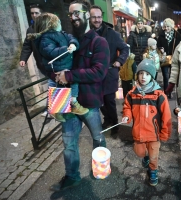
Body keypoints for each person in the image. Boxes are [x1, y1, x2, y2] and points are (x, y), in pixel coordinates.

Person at [49, 0, 110, 191]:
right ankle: (72, 176)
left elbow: (99, 72)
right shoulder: (66, 41)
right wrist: (56, 74)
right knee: (68, 142)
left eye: (77, 13)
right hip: (66, 101)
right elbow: (56, 65)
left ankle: (100, 165)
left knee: (97, 137)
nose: (73, 17)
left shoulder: (99, 41)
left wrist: (69, 75)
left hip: (89, 102)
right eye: (70, 14)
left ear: (87, 14)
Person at [28, 13, 89, 122]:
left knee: (62, 86)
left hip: (65, 64)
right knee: (62, 84)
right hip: (58, 66)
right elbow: (50, 52)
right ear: (52, 24)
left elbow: (71, 37)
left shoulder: (61, 33)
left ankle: (59, 108)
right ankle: (69, 105)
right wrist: (66, 49)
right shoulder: (45, 38)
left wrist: (73, 43)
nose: (60, 24)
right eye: (58, 22)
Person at [121, 58, 172, 186]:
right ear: (137, 75)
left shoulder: (159, 95)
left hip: (154, 134)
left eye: (147, 74)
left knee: (154, 155)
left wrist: (165, 133)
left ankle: (153, 170)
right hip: (138, 132)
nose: (144, 77)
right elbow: (127, 106)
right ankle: (145, 156)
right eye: (141, 73)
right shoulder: (132, 94)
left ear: (152, 77)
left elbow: (166, 116)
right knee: (139, 152)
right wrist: (127, 115)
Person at [90, 5, 129, 136]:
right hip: (93, 76)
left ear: (102, 17)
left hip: (109, 74)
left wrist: (119, 61)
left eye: (99, 17)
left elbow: (125, 48)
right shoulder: (87, 34)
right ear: (90, 18)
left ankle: (115, 124)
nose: (97, 20)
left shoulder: (112, 33)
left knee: (110, 102)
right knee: (100, 102)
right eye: (94, 17)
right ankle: (107, 119)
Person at [157, 18, 181, 98]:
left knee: (172, 76)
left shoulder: (176, 35)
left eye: (168, 26)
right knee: (165, 75)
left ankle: (170, 91)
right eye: (165, 26)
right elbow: (158, 45)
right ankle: (166, 92)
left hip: (174, 58)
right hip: (164, 58)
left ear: (171, 26)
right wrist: (160, 48)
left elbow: (180, 46)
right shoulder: (161, 35)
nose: (167, 28)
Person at [19, 4, 45, 76]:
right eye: (32, 13)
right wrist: (23, 59)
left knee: (57, 82)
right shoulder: (30, 30)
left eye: (36, 13)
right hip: (41, 63)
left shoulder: (49, 26)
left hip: (53, 61)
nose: (34, 15)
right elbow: (27, 45)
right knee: (53, 82)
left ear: (42, 14)